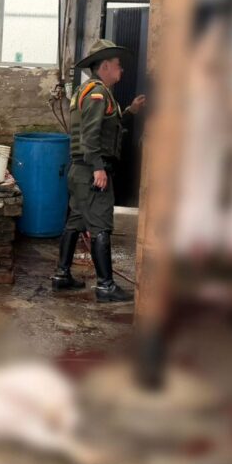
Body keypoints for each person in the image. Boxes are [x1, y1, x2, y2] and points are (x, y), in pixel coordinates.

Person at [52, 39, 144, 302]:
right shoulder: (98, 93)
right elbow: (91, 136)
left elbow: (105, 126)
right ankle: (105, 286)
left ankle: (62, 275)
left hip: (80, 171)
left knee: (76, 221)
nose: (121, 69)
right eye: (118, 65)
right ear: (105, 66)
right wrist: (98, 168)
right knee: (101, 224)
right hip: (90, 170)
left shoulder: (90, 91)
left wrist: (130, 112)